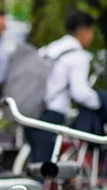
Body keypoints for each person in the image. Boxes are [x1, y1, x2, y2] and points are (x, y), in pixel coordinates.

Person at [26, 10, 98, 163]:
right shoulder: (77, 55)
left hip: (31, 110)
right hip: (52, 113)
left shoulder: (51, 48)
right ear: (83, 31)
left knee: (36, 164)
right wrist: (99, 102)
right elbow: (80, 93)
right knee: (46, 169)